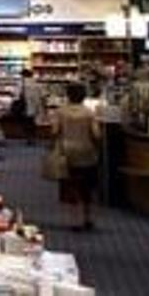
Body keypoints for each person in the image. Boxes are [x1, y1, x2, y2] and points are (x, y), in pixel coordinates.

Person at [52, 83, 103, 230]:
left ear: (68, 95)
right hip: (86, 152)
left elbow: (55, 131)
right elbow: (96, 134)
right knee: (87, 186)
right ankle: (88, 217)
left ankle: (75, 219)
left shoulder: (61, 112)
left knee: (71, 185)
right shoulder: (89, 113)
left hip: (67, 152)